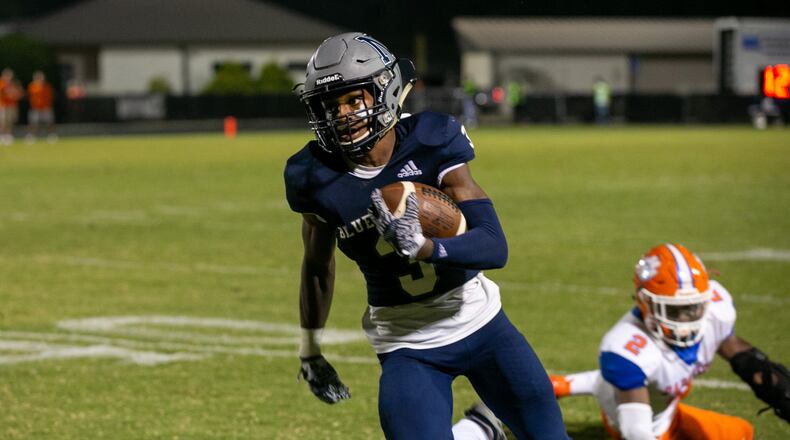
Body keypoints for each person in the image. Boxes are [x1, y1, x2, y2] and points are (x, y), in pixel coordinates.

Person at [284, 32, 568, 440]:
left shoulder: (431, 140)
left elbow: (493, 244)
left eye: (353, 99)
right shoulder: (313, 177)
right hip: (406, 343)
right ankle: (482, 430)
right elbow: (316, 265)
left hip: (482, 322)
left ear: (387, 91)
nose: (341, 115)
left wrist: (426, 247)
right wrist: (310, 347)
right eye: (329, 105)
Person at [548, 243, 789, 439]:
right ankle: (556, 386)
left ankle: (560, 384)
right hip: (644, 423)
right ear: (645, 303)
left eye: (693, 308)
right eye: (675, 311)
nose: (687, 319)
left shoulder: (715, 311)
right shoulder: (626, 347)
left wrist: (779, 389)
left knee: (742, 433)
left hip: (668, 411)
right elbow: (636, 431)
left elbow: (746, 360)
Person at [26, 70, 57, 143]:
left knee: (49, 122)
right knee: (33, 122)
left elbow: (51, 96)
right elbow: (29, 96)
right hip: (35, 108)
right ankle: (31, 136)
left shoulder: (47, 87)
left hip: (46, 107)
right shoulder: (32, 86)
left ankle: (51, 135)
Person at [0, 68, 24, 145]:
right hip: (3, 105)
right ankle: (2, 135)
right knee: (3, 121)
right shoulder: (1, 83)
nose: (9, 77)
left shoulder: (14, 84)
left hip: (12, 105)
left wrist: (15, 94)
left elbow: (20, 94)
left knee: (10, 120)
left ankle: (8, 135)